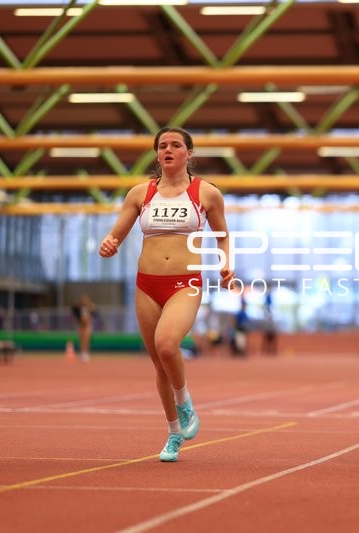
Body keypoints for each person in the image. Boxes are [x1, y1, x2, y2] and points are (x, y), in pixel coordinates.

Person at [99, 126, 234, 462]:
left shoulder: (206, 194)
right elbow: (116, 235)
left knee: (167, 344)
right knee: (159, 364)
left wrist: (226, 264)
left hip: (185, 283)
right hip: (147, 284)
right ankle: (174, 433)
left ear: (189, 153)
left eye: (176, 145)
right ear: (157, 154)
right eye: (162, 146)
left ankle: (184, 402)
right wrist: (109, 244)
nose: (168, 150)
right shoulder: (139, 194)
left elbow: (223, 236)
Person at [71, 294, 96, 362]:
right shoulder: (79, 308)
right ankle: (82, 353)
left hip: (87, 326)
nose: (84, 301)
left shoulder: (90, 307)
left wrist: (91, 307)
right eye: (83, 300)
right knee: (81, 339)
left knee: (86, 340)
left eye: (86, 300)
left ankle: (86, 354)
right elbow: (74, 310)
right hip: (81, 325)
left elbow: (94, 313)